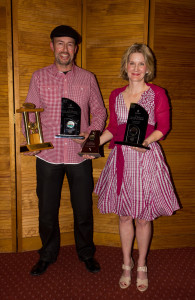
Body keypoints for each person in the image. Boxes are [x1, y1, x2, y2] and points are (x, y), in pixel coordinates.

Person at [94, 43, 180, 292]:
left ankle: (141, 263)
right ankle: (126, 262)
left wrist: (145, 141)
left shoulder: (157, 93)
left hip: (145, 158)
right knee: (124, 215)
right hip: (121, 158)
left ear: (148, 67)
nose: (136, 68)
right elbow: (114, 127)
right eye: (132, 62)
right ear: (125, 65)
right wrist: (93, 144)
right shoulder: (115, 94)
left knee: (143, 218)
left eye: (141, 63)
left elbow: (163, 127)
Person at [23, 25, 106, 276]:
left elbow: (100, 112)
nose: (65, 49)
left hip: (79, 157)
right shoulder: (39, 77)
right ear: (52, 46)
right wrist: (31, 141)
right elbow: (30, 114)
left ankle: (86, 253)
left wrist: (89, 138)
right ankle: (47, 254)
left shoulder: (87, 77)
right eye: (60, 43)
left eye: (70, 44)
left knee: (83, 210)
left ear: (76, 48)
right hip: (48, 156)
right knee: (47, 211)